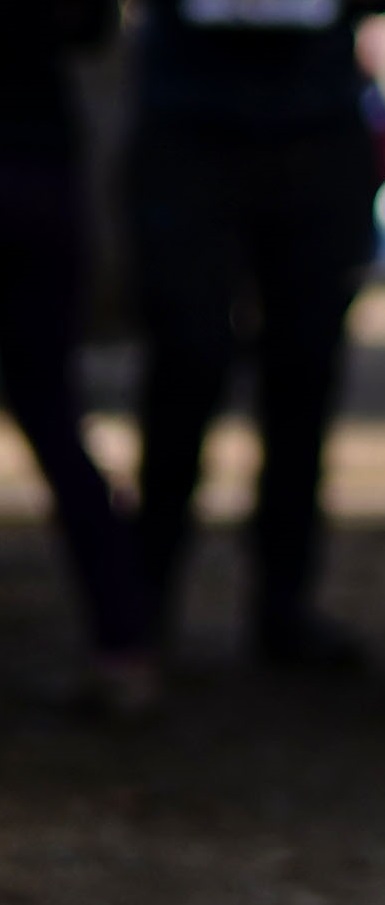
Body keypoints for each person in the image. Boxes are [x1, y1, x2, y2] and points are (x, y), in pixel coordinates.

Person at [127, 0, 385, 669]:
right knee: (186, 357)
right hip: (186, 119)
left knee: (305, 369)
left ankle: (284, 607)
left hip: (316, 119)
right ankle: (141, 609)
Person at [1, 0, 159, 713]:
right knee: (54, 416)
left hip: (31, 169)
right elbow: (92, 27)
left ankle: (125, 645)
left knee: (53, 414)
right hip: (38, 172)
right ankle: (124, 645)